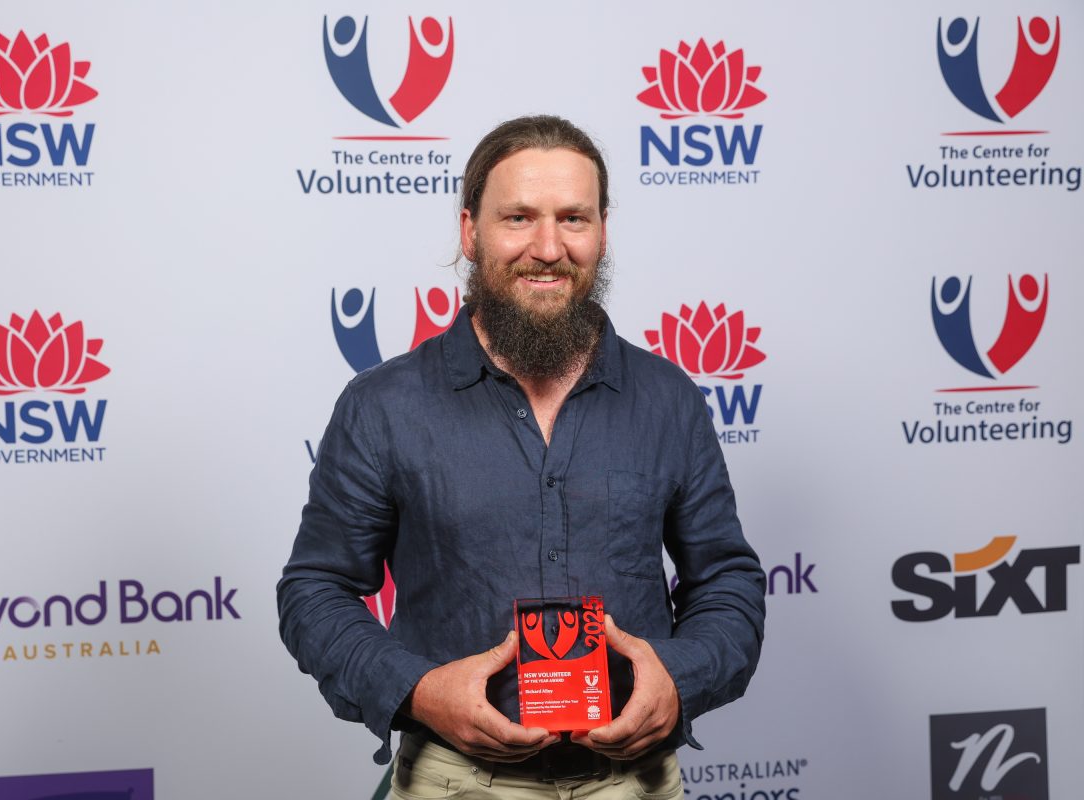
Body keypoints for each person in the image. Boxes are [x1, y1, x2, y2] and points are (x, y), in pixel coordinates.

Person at [278, 115, 766, 798]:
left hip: (635, 783)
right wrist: (418, 690)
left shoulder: (667, 399)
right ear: (470, 231)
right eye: (518, 218)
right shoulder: (384, 405)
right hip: (456, 782)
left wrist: (680, 678)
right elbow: (315, 590)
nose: (548, 247)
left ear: (602, 232)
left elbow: (727, 581)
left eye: (573, 218)